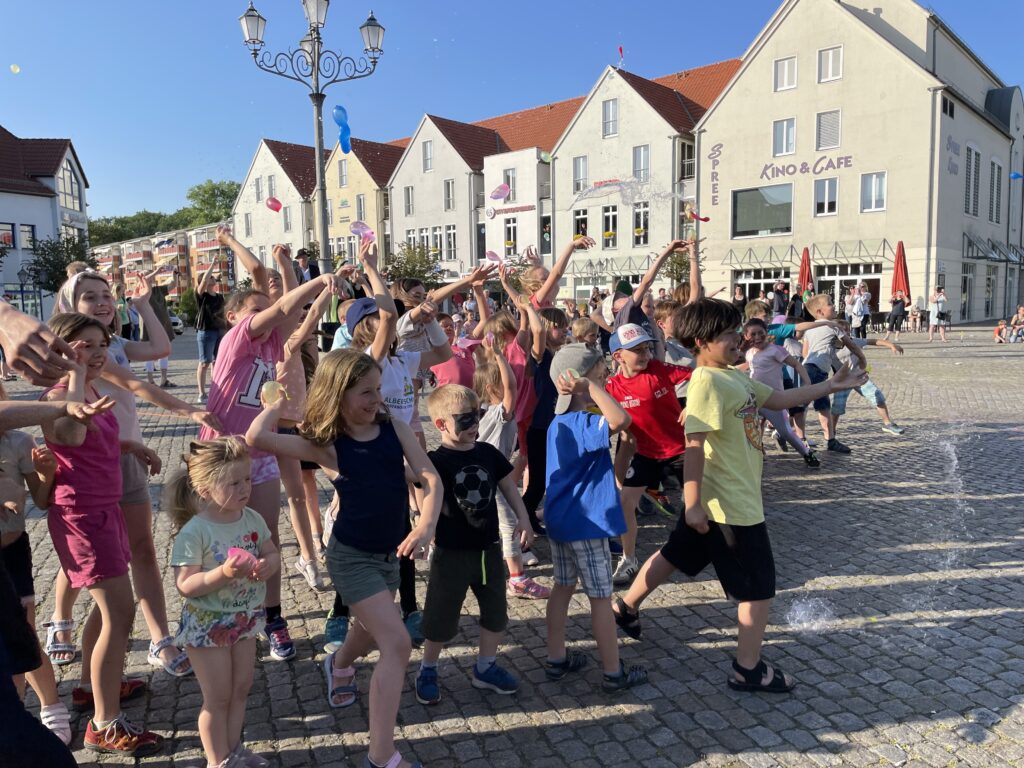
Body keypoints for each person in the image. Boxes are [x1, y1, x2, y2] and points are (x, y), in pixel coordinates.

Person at [612, 298, 866, 694]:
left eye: (737, 332)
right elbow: (693, 445)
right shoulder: (707, 382)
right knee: (758, 586)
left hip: (723, 497)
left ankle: (625, 605)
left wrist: (829, 385)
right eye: (729, 334)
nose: (740, 339)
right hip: (728, 504)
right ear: (703, 341)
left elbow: (776, 401)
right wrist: (692, 503)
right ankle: (748, 669)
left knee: (676, 554)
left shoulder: (733, 377)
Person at [246, 349, 440, 768]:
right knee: (396, 642)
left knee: (369, 630)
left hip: (389, 553)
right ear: (338, 394)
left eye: (378, 390)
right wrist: (275, 406)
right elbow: (256, 439)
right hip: (351, 557)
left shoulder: (393, 428)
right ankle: (382, 754)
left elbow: (429, 476)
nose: (375, 400)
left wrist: (426, 525)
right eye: (365, 392)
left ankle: (339, 662)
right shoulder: (327, 446)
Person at [48, 269, 215, 682]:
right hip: (89, 465)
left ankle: (157, 637)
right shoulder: (81, 355)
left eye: (107, 294)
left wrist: (142, 305)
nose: (102, 301)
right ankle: (62, 619)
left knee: (137, 549)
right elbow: (138, 387)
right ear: (70, 306)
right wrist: (188, 409)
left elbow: (160, 347)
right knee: (87, 562)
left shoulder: (112, 345)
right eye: (90, 296)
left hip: (123, 452)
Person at [200, 258, 344, 662]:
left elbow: (294, 313)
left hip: (259, 453)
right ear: (233, 318)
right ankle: (218, 614)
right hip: (218, 454)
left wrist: (312, 290)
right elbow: (282, 310)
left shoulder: (273, 347)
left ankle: (273, 618)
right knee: (216, 542)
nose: (262, 313)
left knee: (265, 541)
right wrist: (318, 279)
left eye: (265, 306)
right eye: (254, 308)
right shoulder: (234, 341)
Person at [41, 313, 164, 756]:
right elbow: (71, 435)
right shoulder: (59, 394)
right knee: (119, 612)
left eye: (99, 345)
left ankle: (92, 689)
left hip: (105, 508)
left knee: (110, 609)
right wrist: (73, 375)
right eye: (82, 346)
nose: (94, 354)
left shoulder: (92, 388)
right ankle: (104, 724)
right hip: (81, 517)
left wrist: (133, 446)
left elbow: (96, 440)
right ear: (59, 350)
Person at [414, 384, 534, 705]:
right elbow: (422, 495)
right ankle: (427, 668)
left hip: (489, 550)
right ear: (441, 424)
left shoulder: (488, 453)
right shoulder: (434, 461)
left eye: (477, 415)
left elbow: (509, 488)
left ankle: (485, 666)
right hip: (451, 553)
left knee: (496, 614)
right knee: (440, 617)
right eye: (465, 419)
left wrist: (524, 519)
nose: (474, 425)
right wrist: (422, 532)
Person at [168, 437, 278, 768]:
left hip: (245, 620)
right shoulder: (195, 531)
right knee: (217, 698)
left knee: (241, 689)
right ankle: (218, 761)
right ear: (205, 489)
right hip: (208, 625)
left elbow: (271, 551)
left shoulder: (252, 519)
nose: (245, 487)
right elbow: (186, 585)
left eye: (247, 478)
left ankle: (234, 749)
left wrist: (269, 564)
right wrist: (224, 573)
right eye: (234, 482)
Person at [543, 343, 648, 693]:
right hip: (586, 524)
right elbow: (621, 419)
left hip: (561, 521)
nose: (604, 385)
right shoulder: (584, 421)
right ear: (577, 383)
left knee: (562, 587)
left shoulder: (557, 422)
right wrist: (590, 389)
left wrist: (590, 386)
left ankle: (556, 658)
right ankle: (613, 672)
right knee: (601, 598)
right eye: (600, 379)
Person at [0, 382, 68, 745]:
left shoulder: (17, 442)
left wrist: (45, 474)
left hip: (12, 549)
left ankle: (50, 703)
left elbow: (41, 501)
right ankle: (14, 708)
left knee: (24, 632)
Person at [605, 323, 692, 586]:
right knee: (624, 503)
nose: (645, 354)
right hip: (646, 454)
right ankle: (629, 560)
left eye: (646, 348)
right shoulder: (612, 387)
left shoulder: (658, 369)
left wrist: (694, 403)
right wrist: (616, 475)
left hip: (681, 451)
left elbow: (699, 377)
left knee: (695, 506)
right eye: (637, 350)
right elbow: (620, 435)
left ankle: (705, 550)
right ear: (619, 356)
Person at [472, 335, 548, 596]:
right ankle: (517, 579)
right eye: (504, 383)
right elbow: (512, 388)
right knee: (509, 523)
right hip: (490, 479)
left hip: (488, 477)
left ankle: (498, 566)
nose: (512, 385)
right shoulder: (499, 413)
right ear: (494, 388)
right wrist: (500, 356)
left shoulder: (480, 412)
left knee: (496, 524)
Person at [742, 319, 819, 466]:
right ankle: (756, 454)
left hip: (774, 399)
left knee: (786, 432)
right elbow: (749, 368)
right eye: (753, 334)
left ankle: (807, 453)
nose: (757, 337)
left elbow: (796, 364)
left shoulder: (775, 350)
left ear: (767, 333)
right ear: (746, 336)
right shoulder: (749, 353)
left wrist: (807, 383)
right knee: (750, 427)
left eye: (761, 333)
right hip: (755, 397)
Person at [800, 294, 868, 453]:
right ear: (820, 311)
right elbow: (851, 345)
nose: (834, 305)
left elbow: (804, 353)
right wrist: (862, 359)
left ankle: (799, 437)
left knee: (804, 405)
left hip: (807, 367)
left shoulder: (810, 328)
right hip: (818, 371)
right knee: (821, 406)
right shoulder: (833, 326)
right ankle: (828, 440)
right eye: (830, 304)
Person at [830, 320, 906, 437]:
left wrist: (891, 345)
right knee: (837, 407)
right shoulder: (829, 347)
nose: (846, 333)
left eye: (847, 330)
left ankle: (888, 424)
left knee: (878, 396)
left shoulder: (854, 341)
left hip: (859, 378)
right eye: (843, 331)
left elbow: (874, 341)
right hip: (842, 381)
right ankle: (831, 432)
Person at [195, 234, 229, 404]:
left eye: (213, 277)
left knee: (217, 362)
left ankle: (217, 390)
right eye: (210, 277)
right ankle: (201, 393)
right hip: (205, 332)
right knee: (204, 363)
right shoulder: (202, 296)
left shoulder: (219, 296)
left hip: (219, 331)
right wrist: (213, 264)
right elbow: (201, 284)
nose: (213, 278)